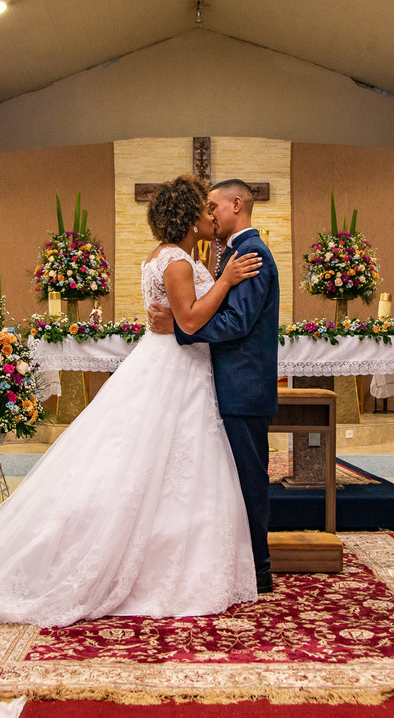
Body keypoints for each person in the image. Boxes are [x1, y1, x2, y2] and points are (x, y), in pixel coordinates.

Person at [0, 175, 262, 630]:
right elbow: (192, 320)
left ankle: (170, 558)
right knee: (161, 463)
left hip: (176, 367)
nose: (209, 214)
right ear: (187, 215)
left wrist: (216, 277)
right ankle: (154, 568)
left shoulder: (166, 256)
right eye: (203, 207)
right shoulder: (176, 261)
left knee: (164, 465)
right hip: (177, 370)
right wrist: (228, 280)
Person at [148, 178, 281, 594]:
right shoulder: (227, 254)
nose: (209, 214)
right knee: (224, 479)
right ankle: (231, 562)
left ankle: (258, 569)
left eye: (214, 206)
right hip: (223, 382)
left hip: (242, 386)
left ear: (235, 204)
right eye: (203, 208)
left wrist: (178, 327)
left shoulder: (251, 251)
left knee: (248, 480)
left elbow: (236, 322)